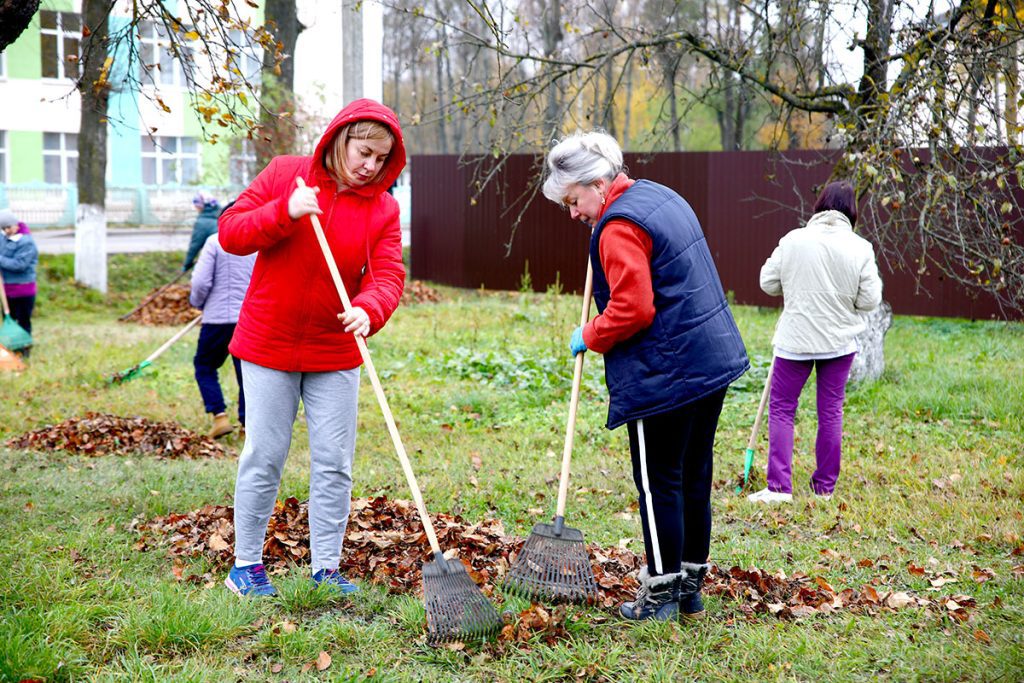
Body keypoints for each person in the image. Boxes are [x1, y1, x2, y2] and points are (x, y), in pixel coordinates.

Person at [541, 131, 749, 622]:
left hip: (666, 372)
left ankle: (659, 598)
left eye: (574, 201)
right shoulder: (660, 196)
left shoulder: (617, 226)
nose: (574, 214)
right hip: (709, 361)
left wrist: (589, 334)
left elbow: (633, 308)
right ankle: (690, 590)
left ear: (596, 183)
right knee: (694, 475)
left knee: (659, 484)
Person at [217, 99, 406, 597]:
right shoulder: (286, 175)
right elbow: (231, 233)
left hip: (335, 351)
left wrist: (370, 307)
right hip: (268, 344)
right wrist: (285, 211)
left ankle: (326, 567)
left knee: (334, 461)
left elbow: (388, 274)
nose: (370, 166)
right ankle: (246, 567)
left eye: (381, 159)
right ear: (341, 138)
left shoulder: (383, 208)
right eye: (364, 152)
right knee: (265, 454)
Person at [749, 181, 882, 504]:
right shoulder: (860, 247)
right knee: (831, 411)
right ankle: (824, 488)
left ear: (820, 205)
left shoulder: (794, 240)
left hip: (795, 340)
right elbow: (869, 300)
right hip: (839, 343)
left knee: (782, 409)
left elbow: (767, 282)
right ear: (852, 212)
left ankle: (779, 488)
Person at [189, 206, 255, 439]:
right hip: (249, 320)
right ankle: (248, 426)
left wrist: (197, 302)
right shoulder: (259, 244)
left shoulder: (215, 242)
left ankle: (220, 417)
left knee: (204, 366)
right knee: (246, 373)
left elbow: (200, 282)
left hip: (218, 320)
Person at [0, 209, 39, 358]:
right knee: (8, 319)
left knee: (23, 320)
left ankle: (24, 350)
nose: (6, 231)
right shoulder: (3, 238)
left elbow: (19, 265)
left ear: (15, 225)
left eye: (8, 227)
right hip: (6, 290)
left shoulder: (26, 242)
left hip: (24, 290)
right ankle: (11, 348)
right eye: (3, 229)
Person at [183, 192, 221, 271]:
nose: (196, 208)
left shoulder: (202, 223)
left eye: (197, 206)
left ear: (203, 206)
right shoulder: (221, 216)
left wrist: (187, 263)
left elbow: (195, 245)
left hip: (213, 258)